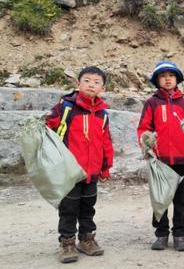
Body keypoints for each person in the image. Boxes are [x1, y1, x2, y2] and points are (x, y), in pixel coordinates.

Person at [45, 66, 114, 263]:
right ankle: (67, 242)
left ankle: (87, 239)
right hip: (69, 172)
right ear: (78, 84)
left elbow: (106, 141)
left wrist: (106, 166)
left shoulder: (102, 114)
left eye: (97, 82)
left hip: (91, 172)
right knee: (68, 208)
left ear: (102, 88)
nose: (91, 85)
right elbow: (47, 127)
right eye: (87, 80)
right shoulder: (65, 108)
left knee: (88, 208)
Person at [137, 61, 184, 252]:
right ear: (157, 80)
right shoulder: (152, 103)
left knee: (181, 199)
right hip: (159, 160)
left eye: (171, 75)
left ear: (177, 79)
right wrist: (146, 142)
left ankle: (179, 234)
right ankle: (161, 234)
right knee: (160, 198)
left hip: (182, 159)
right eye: (163, 76)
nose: (167, 79)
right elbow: (144, 128)